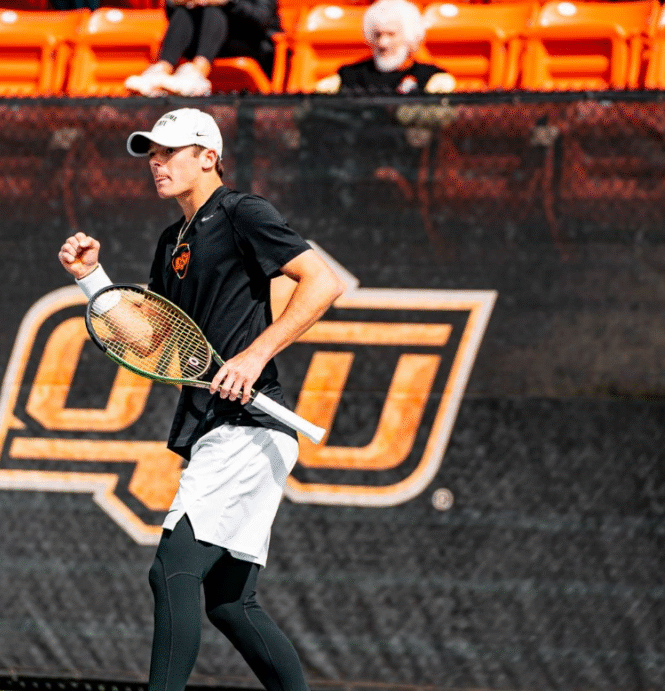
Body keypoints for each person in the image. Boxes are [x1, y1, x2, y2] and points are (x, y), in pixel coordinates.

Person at [58, 108, 344, 691]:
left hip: (249, 425)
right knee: (230, 603)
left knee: (171, 572)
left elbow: (323, 282)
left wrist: (254, 355)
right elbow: (154, 337)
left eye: (169, 152)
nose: (155, 164)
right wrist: (93, 279)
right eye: (151, 154)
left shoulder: (244, 212)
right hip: (218, 427)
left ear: (207, 157)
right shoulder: (173, 240)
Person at [124, 0, 281, 97]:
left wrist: (229, 2)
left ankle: (197, 72)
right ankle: (161, 69)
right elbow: (170, 10)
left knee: (214, 9)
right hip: (204, 45)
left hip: (251, 44)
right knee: (183, 11)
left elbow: (261, 19)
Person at [315, 0, 455, 95]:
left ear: (409, 36)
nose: (383, 43)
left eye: (391, 34)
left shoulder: (433, 78)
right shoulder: (348, 76)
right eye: (378, 35)